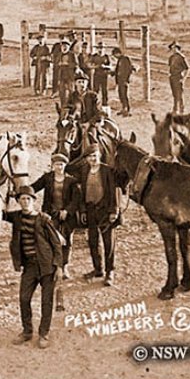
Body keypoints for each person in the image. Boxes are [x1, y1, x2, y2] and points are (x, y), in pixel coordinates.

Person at [4, 185, 62, 349]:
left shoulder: (43, 219)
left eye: (28, 199)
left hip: (46, 266)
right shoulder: (16, 217)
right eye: (22, 199)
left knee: (46, 302)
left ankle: (44, 334)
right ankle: (27, 331)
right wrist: (6, 197)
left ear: (34, 201)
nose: (25, 202)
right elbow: (1, 213)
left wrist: (59, 266)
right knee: (24, 298)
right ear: (18, 201)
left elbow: (56, 244)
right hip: (29, 266)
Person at [31, 153, 80, 280]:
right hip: (50, 214)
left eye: (62, 164)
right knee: (50, 239)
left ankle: (64, 267)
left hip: (67, 216)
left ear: (65, 165)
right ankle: (51, 266)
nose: (59, 167)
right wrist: (20, 191)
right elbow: (34, 187)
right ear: (52, 166)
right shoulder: (47, 178)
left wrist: (67, 211)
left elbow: (76, 200)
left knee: (67, 240)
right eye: (57, 164)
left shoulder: (71, 180)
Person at [77, 144, 120, 287]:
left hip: (105, 211)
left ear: (99, 156)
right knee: (93, 241)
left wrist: (114, 210)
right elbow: (82, 192)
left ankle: (110, 271)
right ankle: (98, 269)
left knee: (109, 242)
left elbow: (114, 192)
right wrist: (83, 210)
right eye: (90, 157)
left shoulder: (107, 170)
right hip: (90, 211)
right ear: (86, 159)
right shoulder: (84, 170)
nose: (92, 159)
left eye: (94, 156)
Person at [111, 47, 136, 117]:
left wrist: (126, 80)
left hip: (124, 81)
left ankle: (127, 110)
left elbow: (129, 70)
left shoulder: (125, 59)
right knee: (121, 95)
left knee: (124, 95)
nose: (115, 57)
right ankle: (123, 108)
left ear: (118, 53)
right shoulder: (119, 60)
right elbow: (118, 71)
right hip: (120, 81)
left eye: (115, 55)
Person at [168, 41, 189, 115]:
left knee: (179, 95)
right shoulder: (171, 57)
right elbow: (170, 67)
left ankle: (181, 110)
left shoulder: (181, 57)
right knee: (174, 94)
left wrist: (184, 78)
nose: (173, 50)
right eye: (172, 48)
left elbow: (187, 68)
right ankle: (175, 109)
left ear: (177, 48)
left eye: (174, 48)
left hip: (178, 77)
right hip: (172, 77)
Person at [89, 42, 112, 107]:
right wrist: (96, 66)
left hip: (104, 76)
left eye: (102, 48)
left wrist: (105, 66)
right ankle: (94, 104)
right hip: (96, 75)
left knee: (104, 91)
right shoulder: (94, 56)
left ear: (104, 49)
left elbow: (110, 66)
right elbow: (89, 65)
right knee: (95, 90)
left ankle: (105, 104)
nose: (100, 50)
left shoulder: (106, 57)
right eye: (99, 48)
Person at [57, 41, 77, 106]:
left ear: (68, 47)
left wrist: (68, 64)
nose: (64, 48)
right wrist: (59, 64)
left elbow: (76, 64)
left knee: (71, 90)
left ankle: (72, 104)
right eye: (63, 46)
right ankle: (63, 104)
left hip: (70, 75)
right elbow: (56, 64)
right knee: (61, 91)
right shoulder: (59, 55)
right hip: (61, 75)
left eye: (66, 46)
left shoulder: (72, 54)